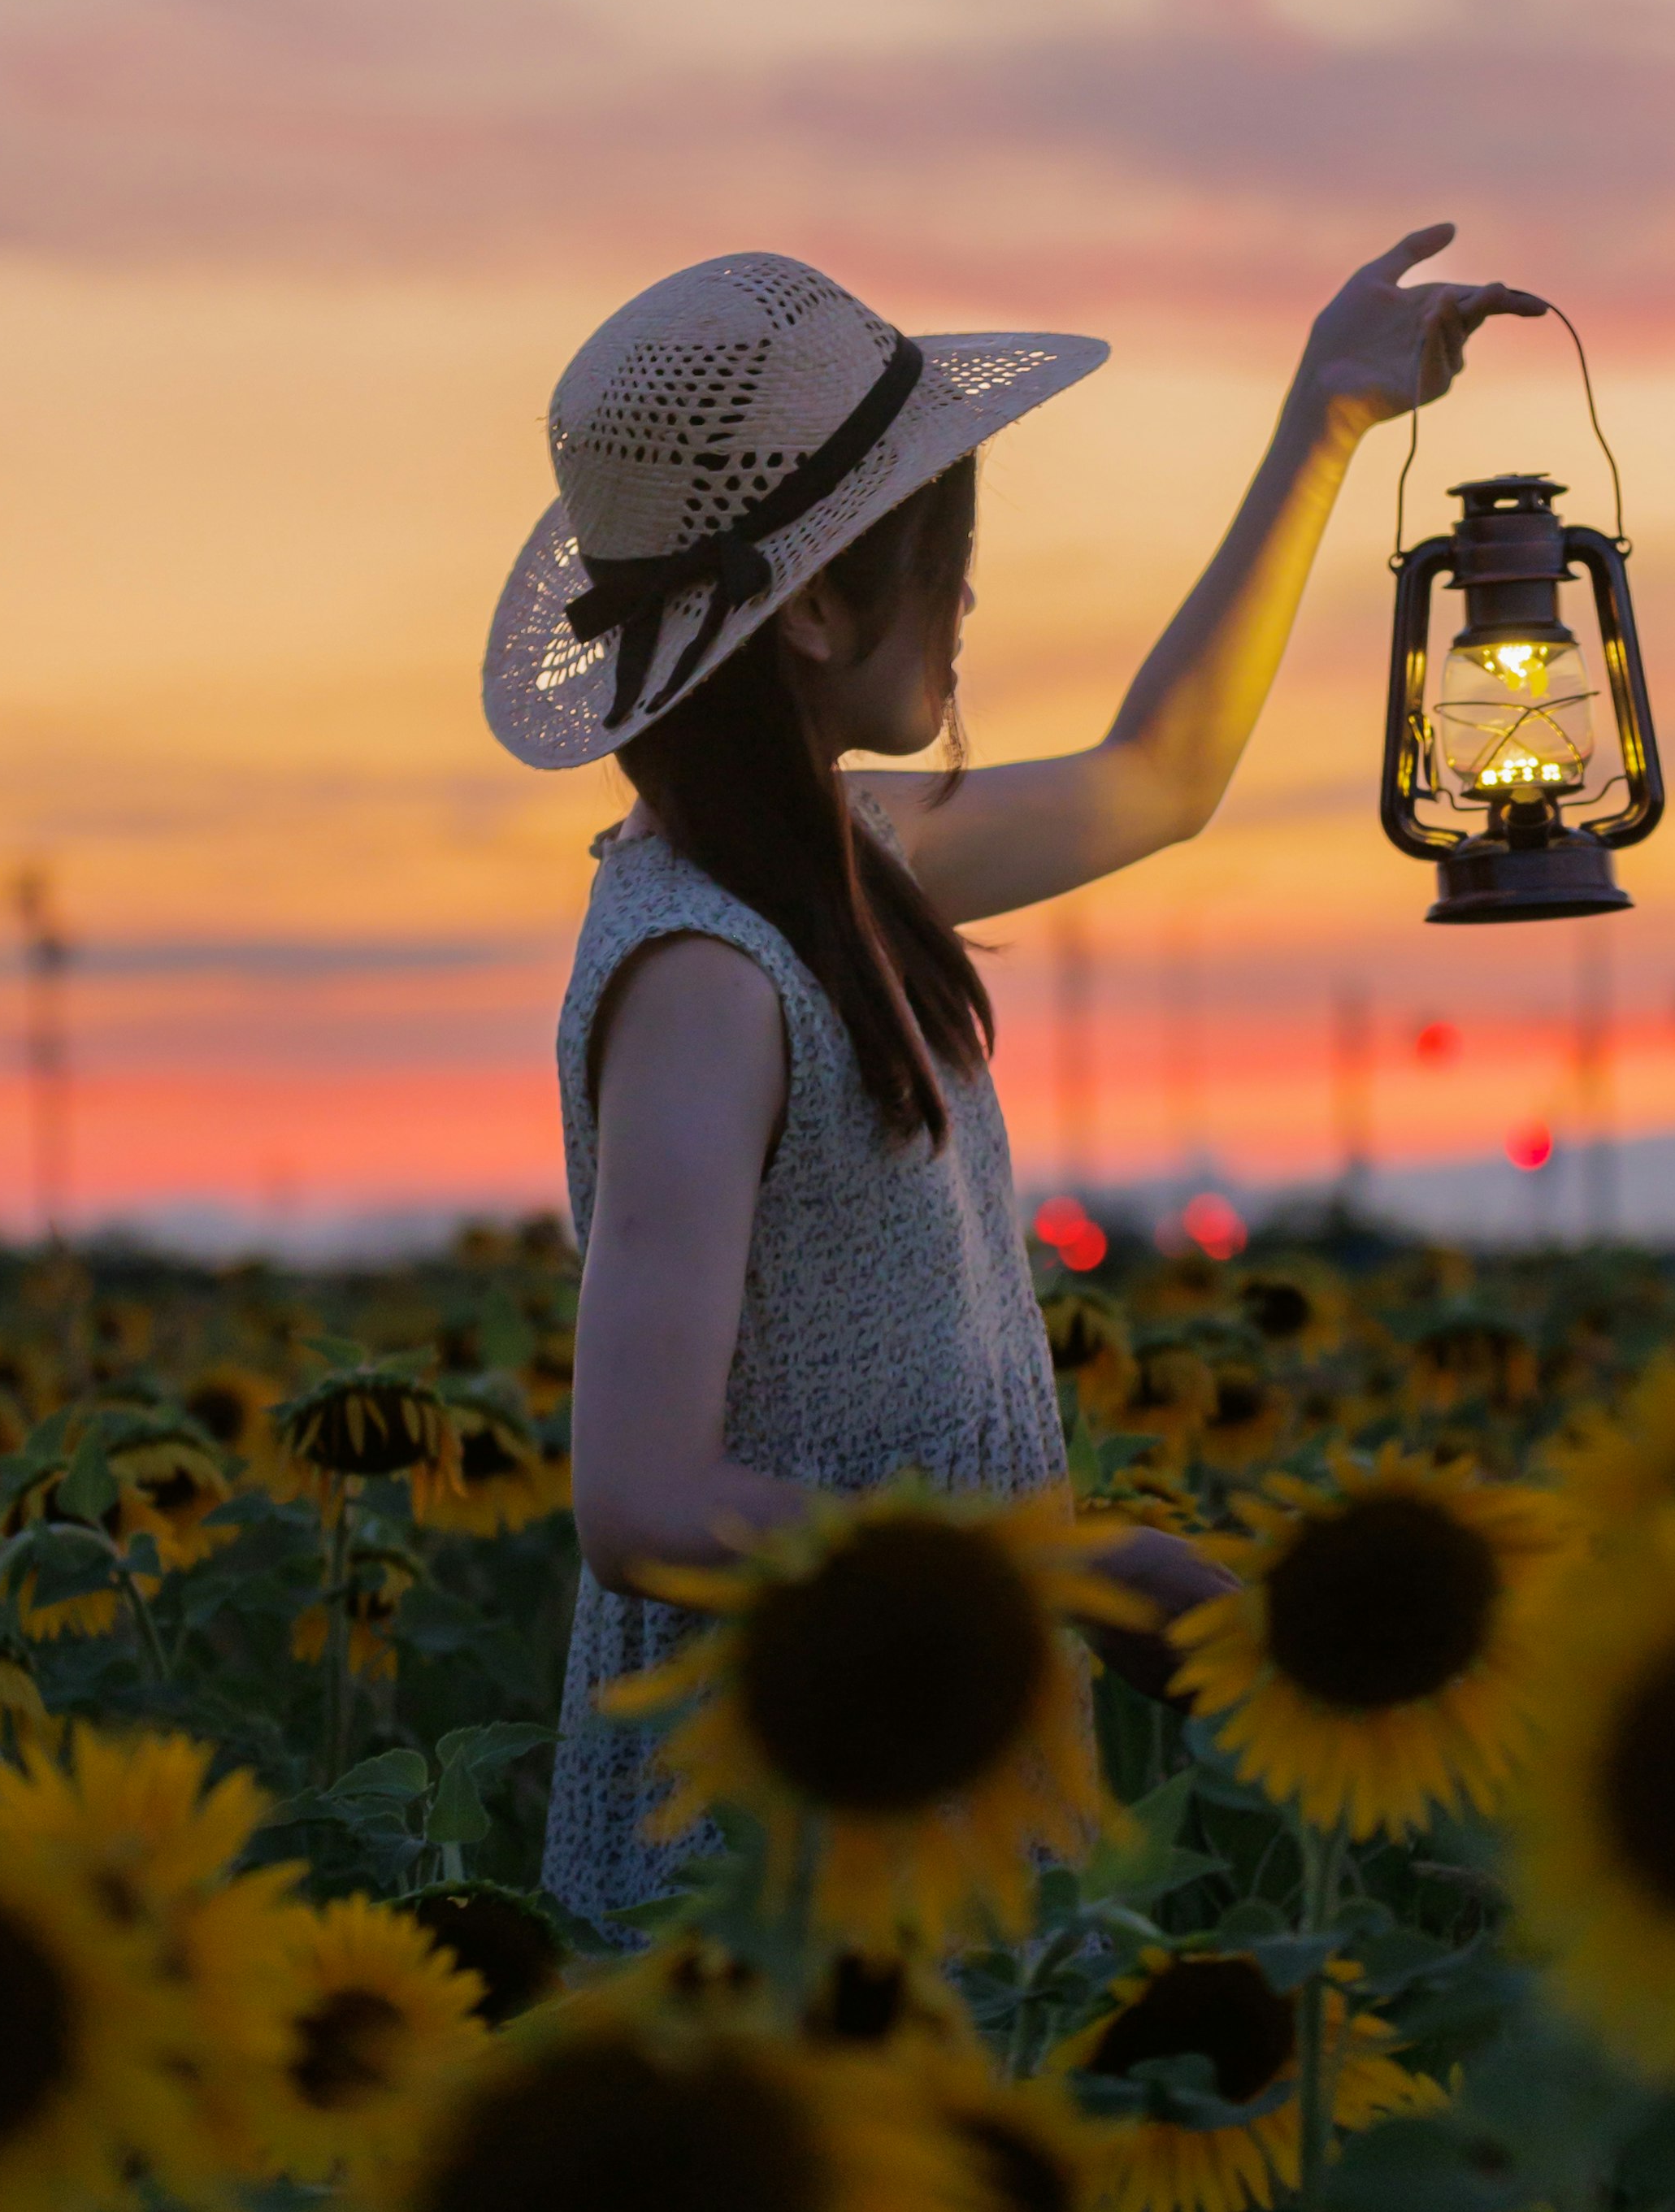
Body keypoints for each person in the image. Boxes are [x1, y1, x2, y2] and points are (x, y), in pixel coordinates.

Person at [480, 228, 1541, 1933]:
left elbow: (1159, 777)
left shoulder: (839, 861)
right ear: (816, 606)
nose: (969, 600)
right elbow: (643, 1495)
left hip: (923, 1755)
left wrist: (1328, 424)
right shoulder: (703, 973)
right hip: (763, 1853)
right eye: (941, 557)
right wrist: (1055, 1567)